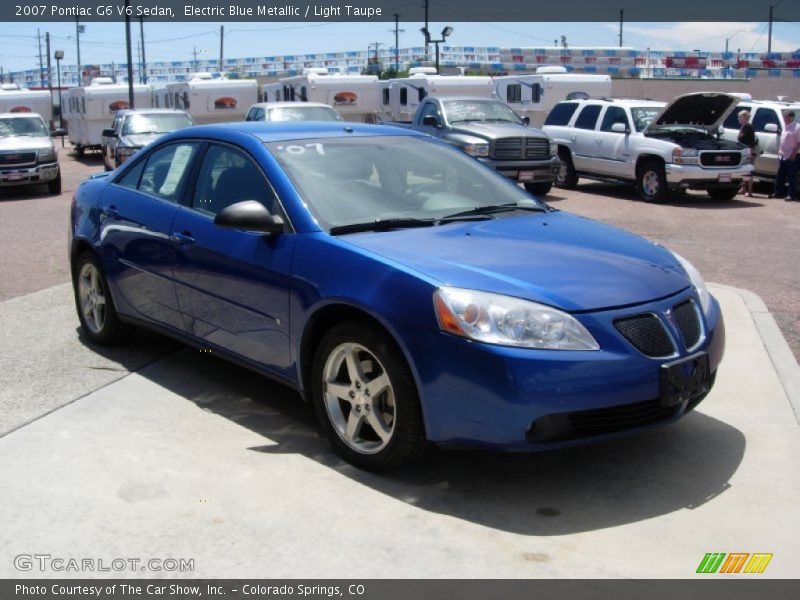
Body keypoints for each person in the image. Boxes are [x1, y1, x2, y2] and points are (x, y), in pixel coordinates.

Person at [769, 110, 800, 201]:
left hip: (792, 155)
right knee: (780, 174)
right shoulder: (786, 126)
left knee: (791, 176)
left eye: (786, 117)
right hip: (783, 155)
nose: (784, 119)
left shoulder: (797, 127)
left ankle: (791, 194)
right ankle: (778, 192)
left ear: (791, 117)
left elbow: (799, 142)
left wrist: (794, 154)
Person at [737, 110, 757, 197]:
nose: (738, 118)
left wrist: (751, 153)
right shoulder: (743, 126)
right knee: (743, 170)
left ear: (745, 118)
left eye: (740, 117)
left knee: (749, 171)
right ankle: (743, 189)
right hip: (743, 151)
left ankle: (749, 191)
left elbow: (752, 142)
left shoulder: (749, 127)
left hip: (749, 151)